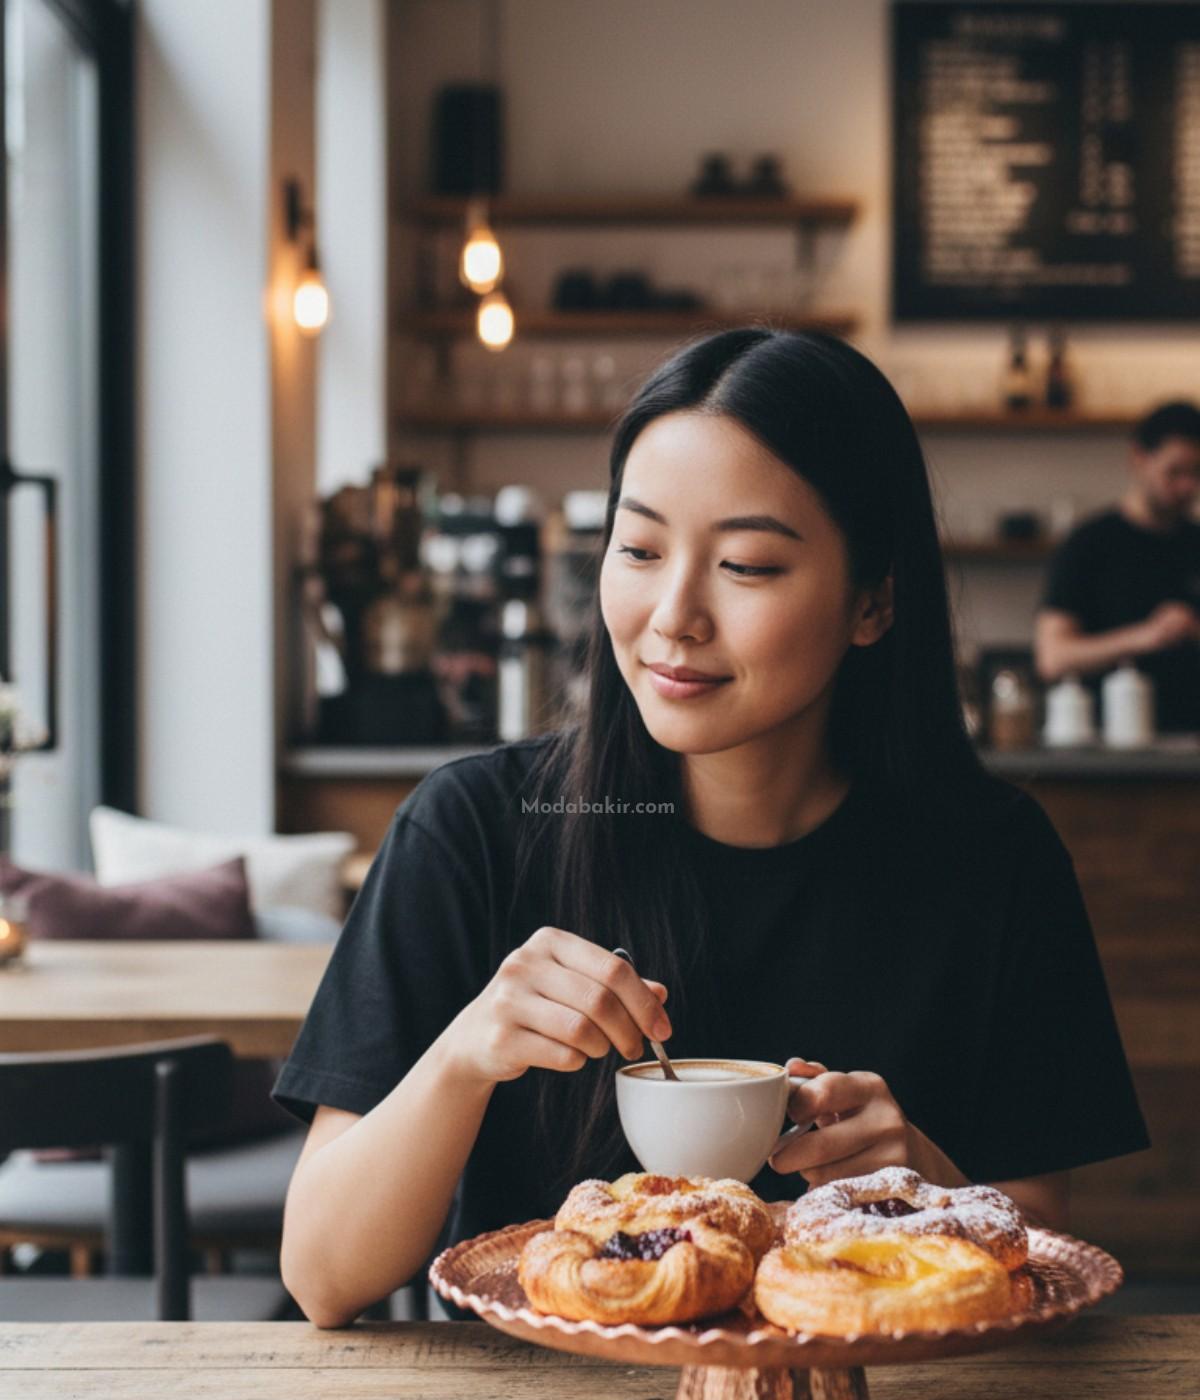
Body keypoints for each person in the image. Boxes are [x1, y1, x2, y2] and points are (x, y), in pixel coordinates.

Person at [274, 330, 1149, 1329]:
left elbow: (1038, 1247)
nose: (673, 616)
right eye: (639, 549)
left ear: (874, 600)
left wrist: (928, 1182)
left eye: (746, 565)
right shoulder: (473, 830)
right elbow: (323, 1274)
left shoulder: (994, 859)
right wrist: (466, 1054)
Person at [1035, 401, 1200, 731]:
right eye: (1175, 472)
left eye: (1197, 473)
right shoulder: (1089, 544)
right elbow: (1053, 658)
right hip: (1109, 750)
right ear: (1139, 458)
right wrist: (1147, 636)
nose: (1187, 486)